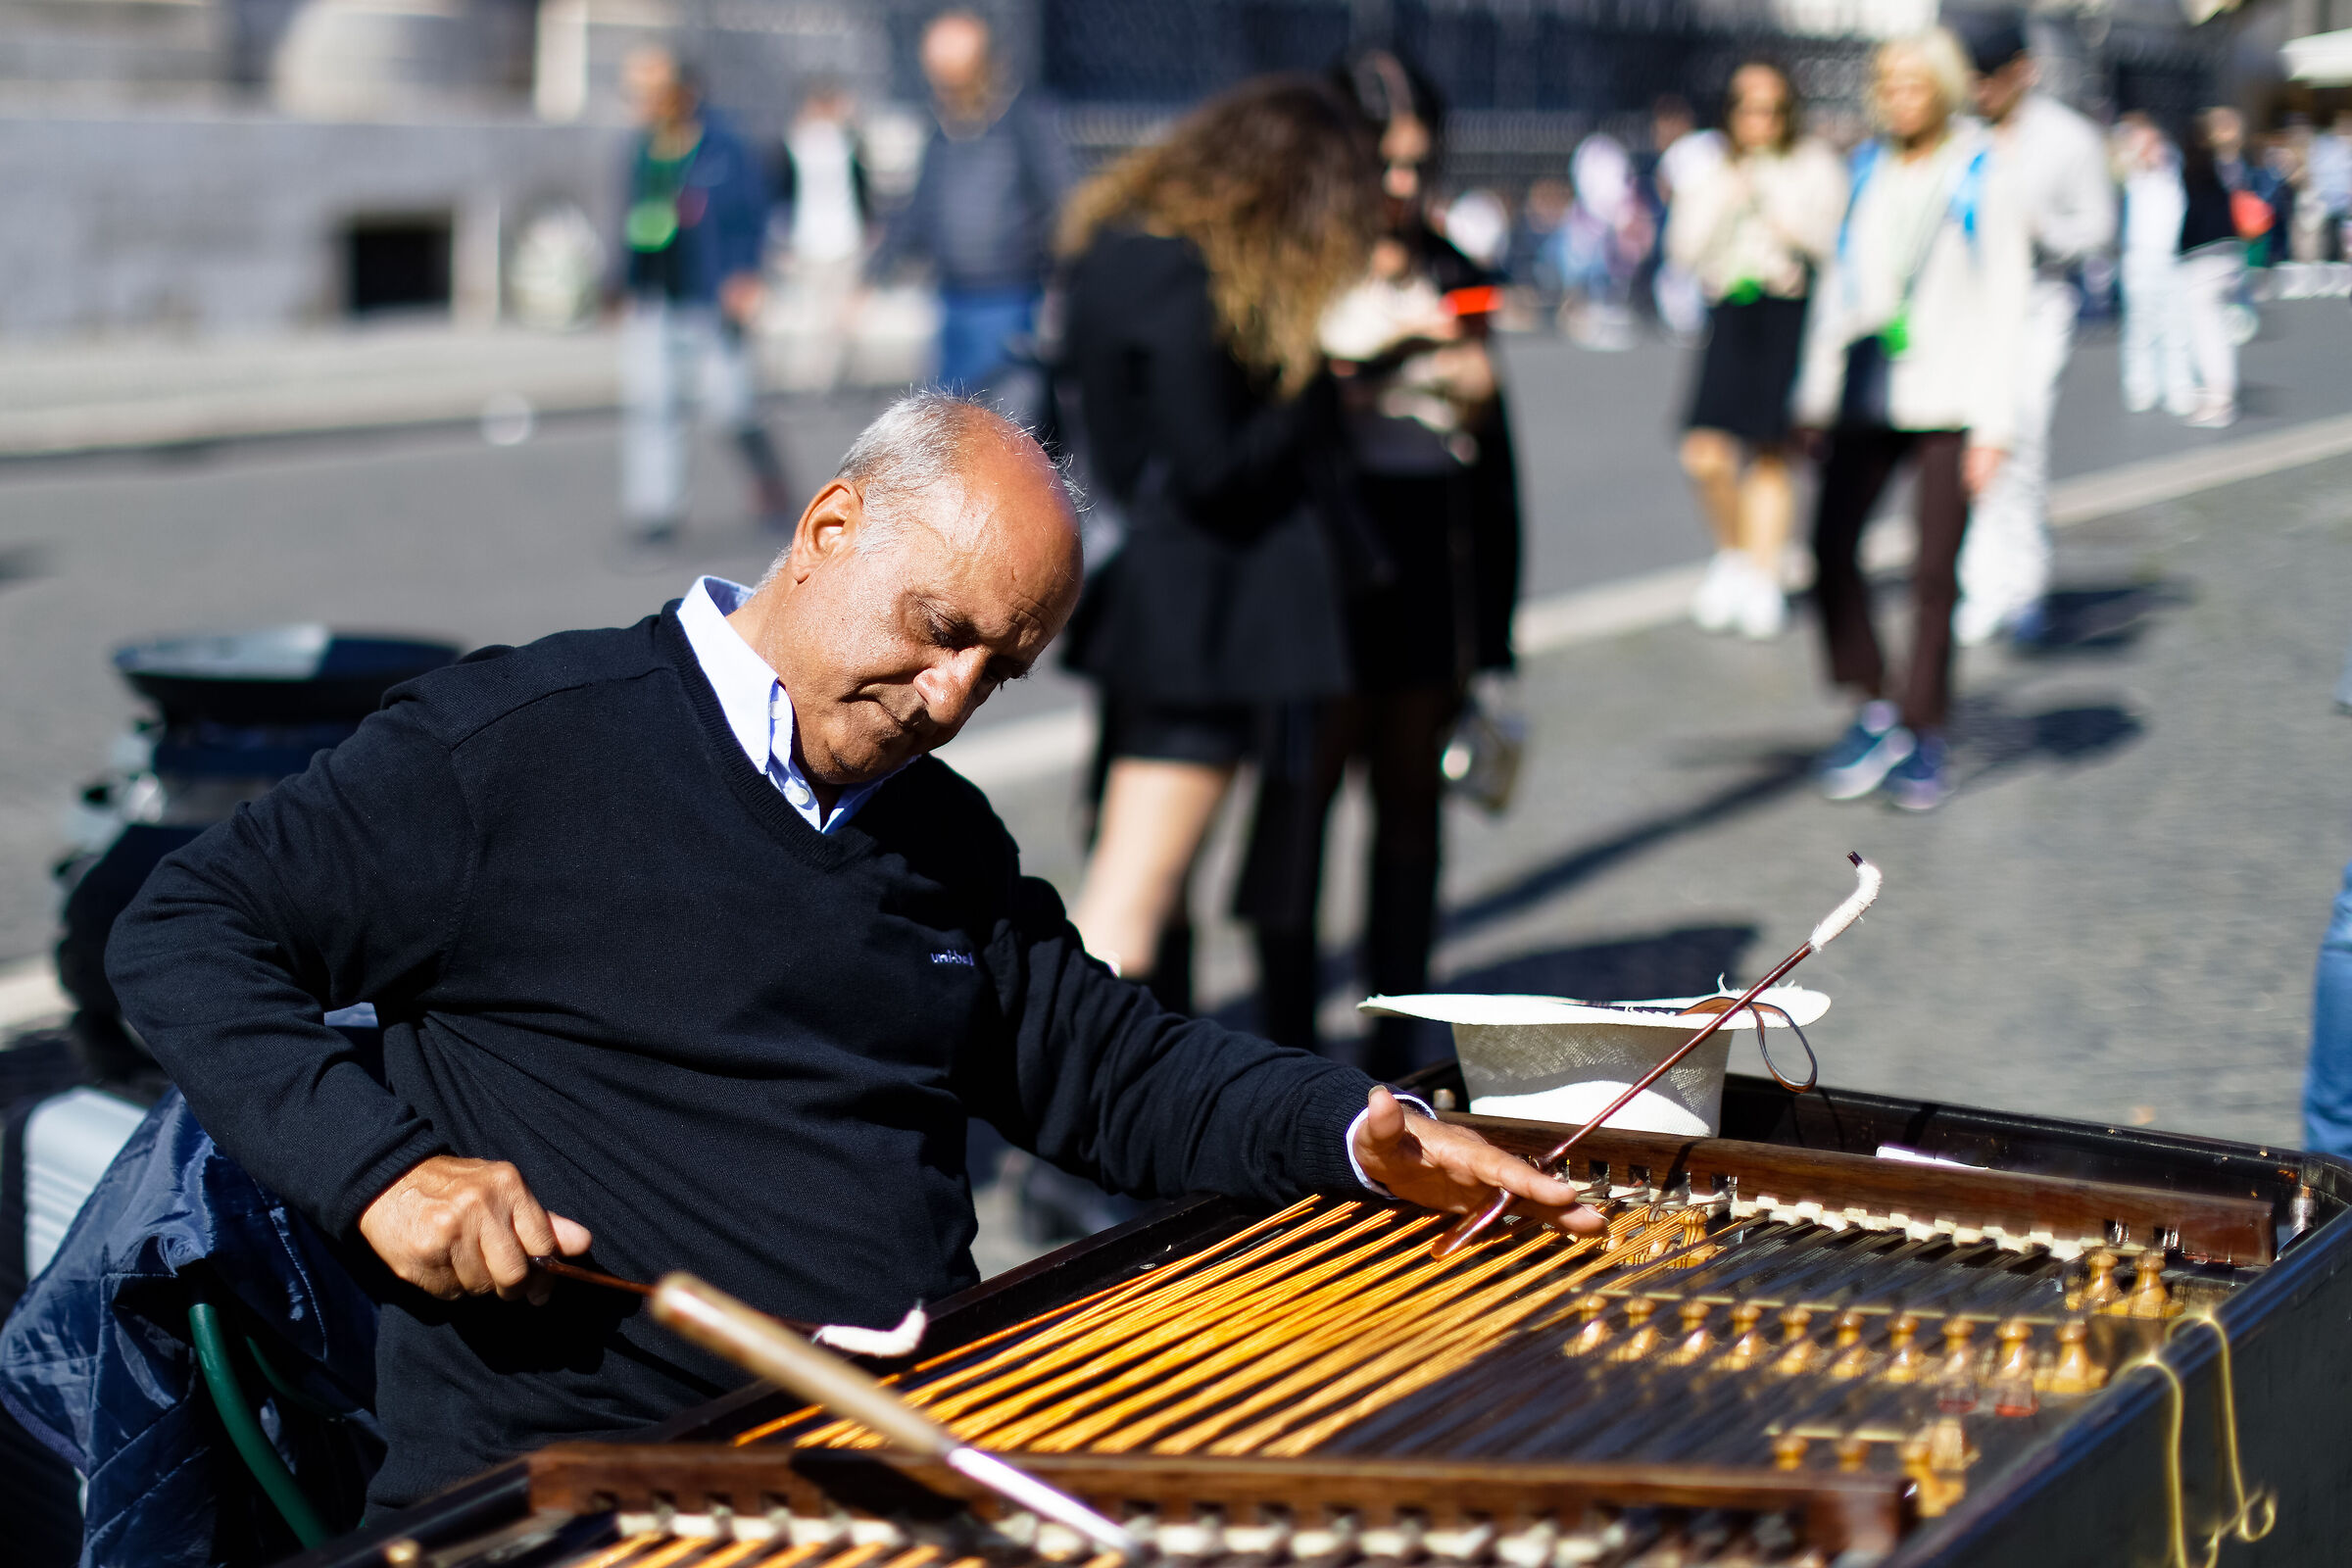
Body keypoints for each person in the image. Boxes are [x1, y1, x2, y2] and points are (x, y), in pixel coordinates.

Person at [102, 391, 1599, 1510]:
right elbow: (183, 927)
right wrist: (384, 1175)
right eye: (939, 629)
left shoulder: (940, 835)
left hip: (905, 1439)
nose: (949, 700)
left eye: (998, 671)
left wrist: (1354, 1128)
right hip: (589, 1482)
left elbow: (1110, 1068)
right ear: (829, 530)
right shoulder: (514, 748)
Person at [1056, 76, 1380, 1012]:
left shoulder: (1111, 249)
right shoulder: (1187, 276)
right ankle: (1060, 1096)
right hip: (1205, 615)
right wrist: (1317, 384)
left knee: (1141, 884)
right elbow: (1213, 468)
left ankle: (1127, 1082)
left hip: (1154, 596)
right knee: (1129, 904)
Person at [1234, 49, 1526, 1076]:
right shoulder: (1291, 264)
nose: (1400, 184)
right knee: (1299, 800)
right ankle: (1285, 1047)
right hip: (1321, 569)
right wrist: (1362, 371)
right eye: (1381, 161)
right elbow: (1261, 413)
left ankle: (1396, 1035)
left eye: (1417, 163)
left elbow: (1495, 448)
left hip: (1429, 559)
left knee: (1409, 805)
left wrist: (1473, 386)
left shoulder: (1453, 264)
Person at [1791, 26, 2030, 811]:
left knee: (1933, 572)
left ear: (1944, 87)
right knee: (1829, 546)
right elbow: (1839, 288)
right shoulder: (1867, 169)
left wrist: (1995, 427)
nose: (1898, 98)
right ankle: (1873, 701)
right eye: (1888, 84)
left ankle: (1924, 728)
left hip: (1952, 399)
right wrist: (1813, 397)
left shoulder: (1983, 170)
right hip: (1870, 390)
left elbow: (2008, 303)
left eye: (1913, 83)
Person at [1667, 60, 1846, 642]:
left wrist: (1779, 216)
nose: (1760, 121)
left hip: (1785, 308)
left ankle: (1766, 572)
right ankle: (1737, 554)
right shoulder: (1712, 168)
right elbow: (1683, 250)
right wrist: (1727, 199)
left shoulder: (1812, 165)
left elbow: (1833, 242)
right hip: (1730, 308)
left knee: (1770, 450)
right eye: (1748, 109)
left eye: (1772, 109)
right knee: (1706, 452)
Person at [1951, 18, 2115, 650]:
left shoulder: (2069, 138)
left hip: (2038, 302)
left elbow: (2099, 228)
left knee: (2021, 443)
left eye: (1989, 77)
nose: (1980, 90)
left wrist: (2044, 228)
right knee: (1970, 446)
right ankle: (1981, 583)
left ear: (2023, 70)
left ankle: (2023, 587)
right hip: (1968, 305)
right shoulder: (1963, 135)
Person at [613, 47, 793, 546]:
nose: (642, 104)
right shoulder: (640, 148)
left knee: (731, 408)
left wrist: (747, 274)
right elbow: (630, 216)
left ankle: (770, 482)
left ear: (682, 93)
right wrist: (619, 282)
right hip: (656, 294)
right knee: (653, 406)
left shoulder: (724, 147)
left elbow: (754, 215)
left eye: (651, 93)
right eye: (635, 94)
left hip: (712, 296)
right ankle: (656, 514)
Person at [864, 10, 1073, 392]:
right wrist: (876, 269)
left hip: (1010, 299)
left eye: (954, 77)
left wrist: (1064, 274)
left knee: (1004, 408)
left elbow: (1064, 198)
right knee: (952, 411)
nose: (944, 90)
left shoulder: (1025, 121)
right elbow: (919, 210)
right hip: (951, 300)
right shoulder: (943, 131)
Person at [773, 77, 872, 392]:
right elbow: (783, 190)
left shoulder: (843, 142)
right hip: (812, 240)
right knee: (818, 314)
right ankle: (817, 378)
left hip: (841, 238)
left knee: (834, 314)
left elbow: (862, 188)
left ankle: (825, 377)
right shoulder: (802, 143)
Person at [2115, 114, 2193, 417]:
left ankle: (2178, 388)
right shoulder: (2131, 176)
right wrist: (2135, 152)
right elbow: (2116, 168)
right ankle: (2141, 386)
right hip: (2138, 258)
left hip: (2171, 257)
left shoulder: (2172, 170)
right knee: (2140, 326)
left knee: (2176, 326)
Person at [2176, 110, 2246, 430]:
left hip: (2206, 254)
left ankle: (2219, 398)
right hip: (2226, 251)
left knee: (2206, 329)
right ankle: (2218, 393)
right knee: (2214, 327)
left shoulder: (2205, 163)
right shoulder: (2229, 163)